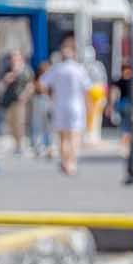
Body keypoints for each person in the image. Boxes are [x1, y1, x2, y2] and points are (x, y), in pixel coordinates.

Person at [45, 41, 90, 175]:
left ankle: (65, 162)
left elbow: (42, 84)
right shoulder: (79, 69)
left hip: (59, 105)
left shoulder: (57, 68)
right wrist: (87, 105)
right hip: (76, 104)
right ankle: (72, 163)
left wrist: (51, 95)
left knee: (62, 136)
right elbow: (87, 88)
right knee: (75, 135)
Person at [0, 51, 31, 157]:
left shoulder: (25, 70)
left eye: (16, 58)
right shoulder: (7, 70)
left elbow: (30, 85)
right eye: (12, 58)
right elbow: (0, 85)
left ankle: (20, 145)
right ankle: (16, 144)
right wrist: (6, 80)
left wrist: (25, 95)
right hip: (9, 100)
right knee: (11, 123)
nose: (14, 60)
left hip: (19, 101)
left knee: (19, 123)